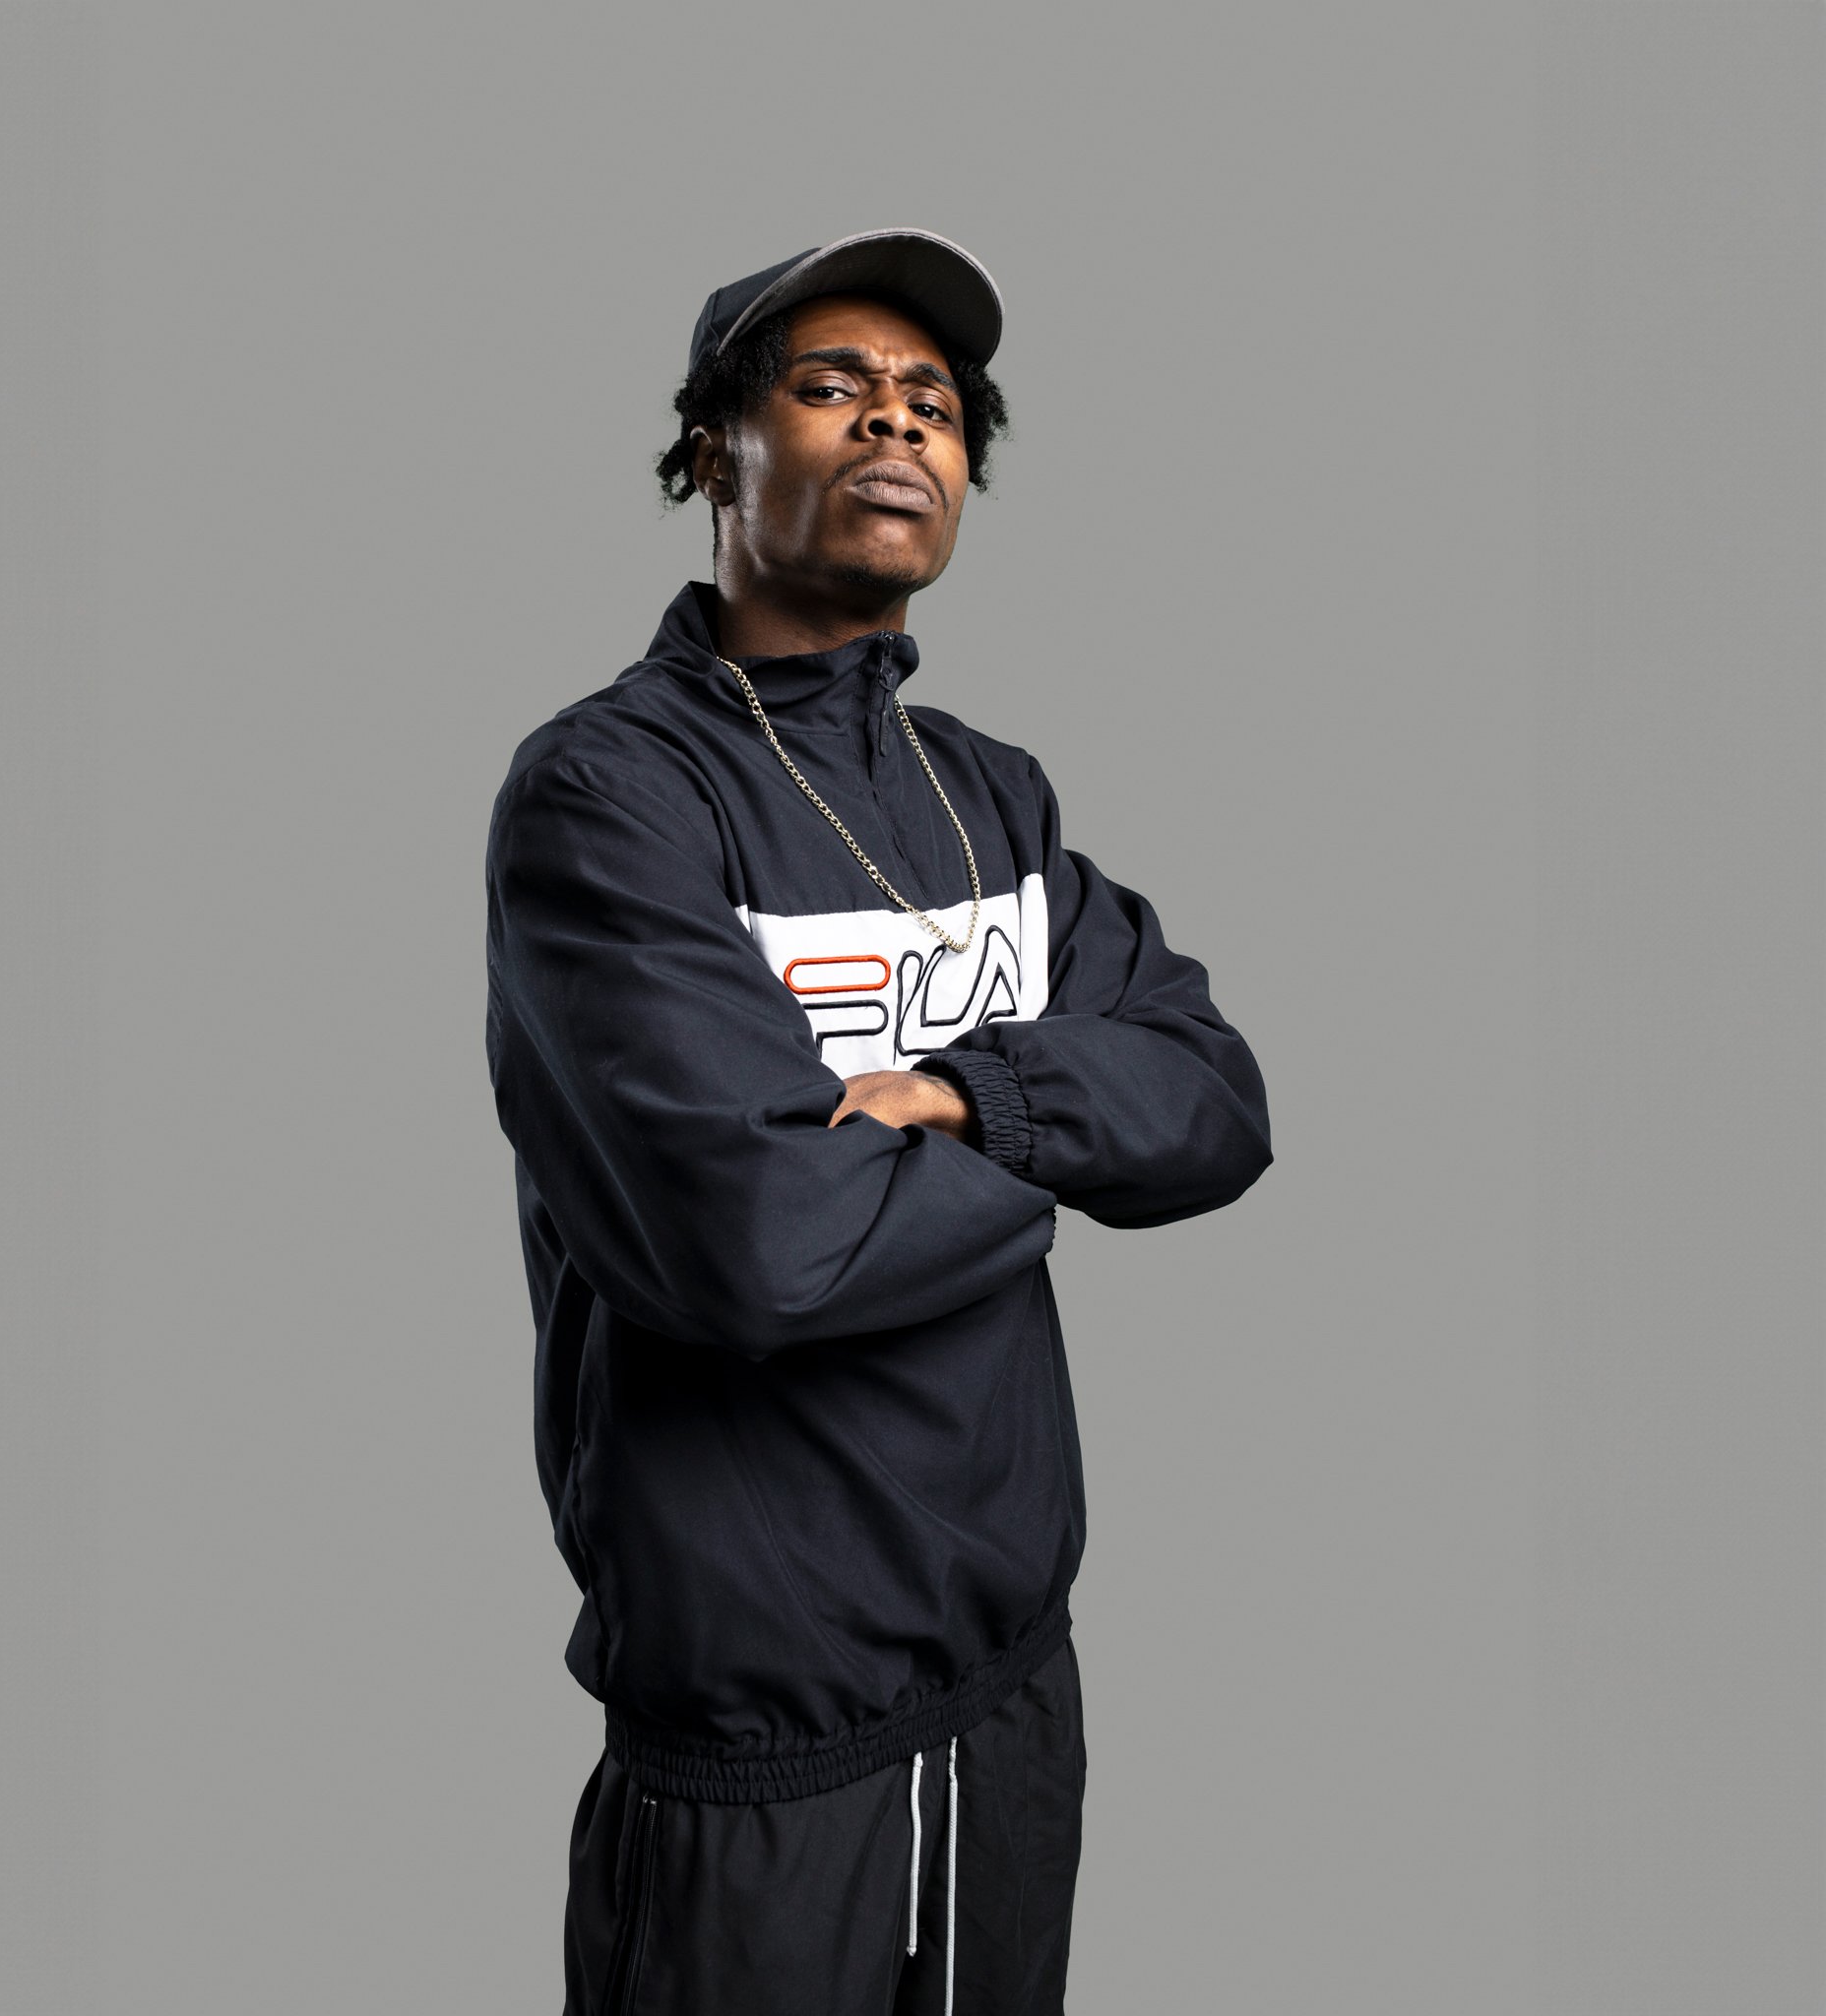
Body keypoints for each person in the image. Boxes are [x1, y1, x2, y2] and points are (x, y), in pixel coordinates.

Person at [485, 227, 1272, 2016]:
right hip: (762, 1742)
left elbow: (1218, 1101)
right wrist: (1061, 1139)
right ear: (712, 451)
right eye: (830, 386)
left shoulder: (989, 791)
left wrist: (957, 1099)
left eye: (933, 403)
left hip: (1013, 1684)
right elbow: (758, 1245)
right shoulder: (612, 796)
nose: (894, 427)